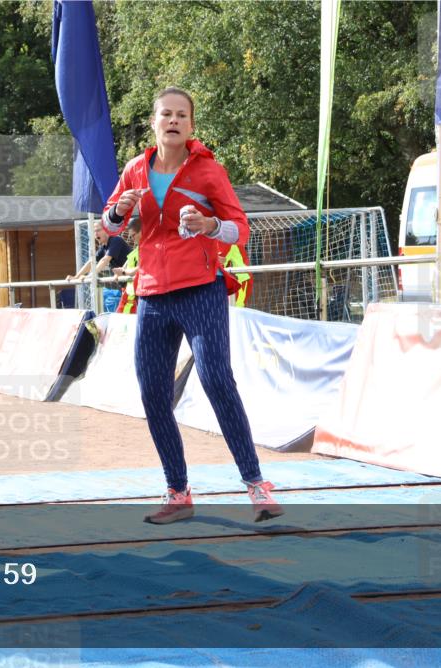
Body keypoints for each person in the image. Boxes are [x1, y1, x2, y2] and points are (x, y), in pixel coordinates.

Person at [102, 87, 282, 524]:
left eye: (182, 115)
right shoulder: (134, 170)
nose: (174, 121)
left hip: (200, 287)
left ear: (191, 126)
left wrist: (209, 225)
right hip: (151, 294)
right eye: (166, 114)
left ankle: (257, 486)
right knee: (153, 394)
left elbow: (241, 229)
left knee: (217, 379)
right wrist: (119, 211)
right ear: (153, 122)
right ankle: (177, 492)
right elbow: (107, 223)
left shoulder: (208, 171)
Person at [66, 220, 130, 312]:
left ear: (107, 230)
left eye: (98, 230)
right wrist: (76, 276)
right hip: (126, 285)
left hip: (134, 281)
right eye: (94, 231)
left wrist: (90, 276)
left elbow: (105, 259)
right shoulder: (103, 247)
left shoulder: (116, 240)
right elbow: (91, 262)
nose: (96, 234)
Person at [114, 219, 142, 314]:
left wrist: (123, 272)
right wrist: (120, 273)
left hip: (142, 296)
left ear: (142, 231)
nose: (132, 239)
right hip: (131, 295)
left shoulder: (150, 248)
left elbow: (140, 268)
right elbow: (125, 267)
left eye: (133, 235)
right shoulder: (135, 252)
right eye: (131, 236)